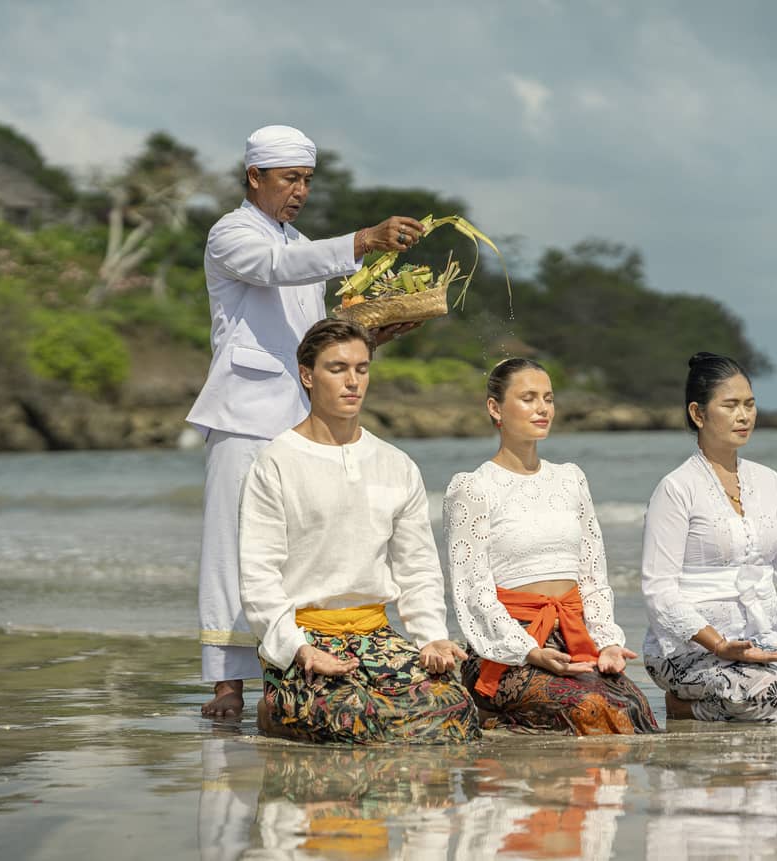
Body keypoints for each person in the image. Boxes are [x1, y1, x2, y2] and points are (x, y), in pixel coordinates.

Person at [187, 124, 426, 718]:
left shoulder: (301, 244)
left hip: (301, 420)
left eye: (307, 181)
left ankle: (287, 661)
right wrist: (365, 239)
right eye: (289, 179)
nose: (299, 191)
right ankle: (225, 684)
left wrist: (370, 336)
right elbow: (275, 267)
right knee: (232, 548)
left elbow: (310, 339)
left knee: (297, 547)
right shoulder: (232, 234)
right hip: (246, 416)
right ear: (254, 178)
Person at [237, 319, 479, 744]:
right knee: (353, 719)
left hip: (375, 634)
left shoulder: (395, 463)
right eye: (337, 369)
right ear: (307, 375)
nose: (353, 381)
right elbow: (258, 575)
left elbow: (417, 566)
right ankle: (273, 705)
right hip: (303, 637)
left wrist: (432, 638)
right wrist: (296, 648)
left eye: (362, 369)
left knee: (454, 708)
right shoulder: (275, 463)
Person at [442, 358, 659, 735]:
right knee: (589, 708)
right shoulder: (473, 487)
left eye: (548, 398)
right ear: (495, 408)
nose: (542, 408)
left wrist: (607, 641)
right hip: (508, 646)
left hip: (573, 635)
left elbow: (592, 574)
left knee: (632, 708)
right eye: (527, 398)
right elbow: (472, 590)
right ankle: (497, 720)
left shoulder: (570, 478)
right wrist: (528, 650)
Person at [640, 352, 777, 723]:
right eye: (731, 405)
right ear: (698, 413)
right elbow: (659, 589)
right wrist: (720, 645)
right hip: (688, 649)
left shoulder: (768, 481)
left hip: (758, 641)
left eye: (750, 404)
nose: (744, 416)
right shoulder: (676, 488)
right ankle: (685, 707)